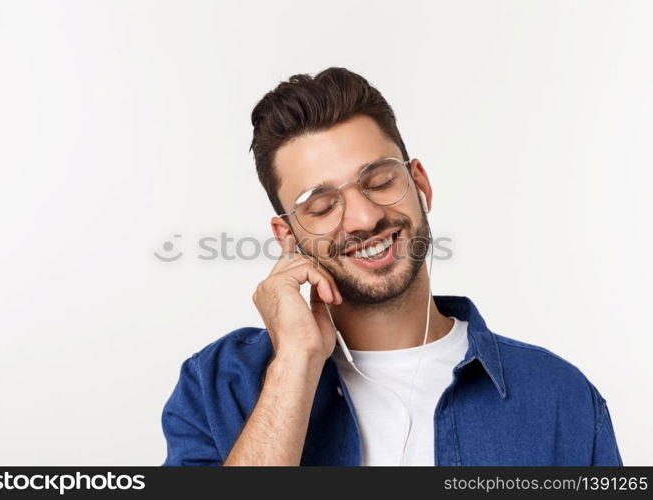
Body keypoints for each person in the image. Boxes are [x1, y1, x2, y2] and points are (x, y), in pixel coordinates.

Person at [160, 67, 623, 466]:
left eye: (379, 181)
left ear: (419, 183)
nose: (364, 218)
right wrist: (294, 364)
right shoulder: (219, 384)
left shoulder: (559, 397)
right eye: (321, 206)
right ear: (288, 239)